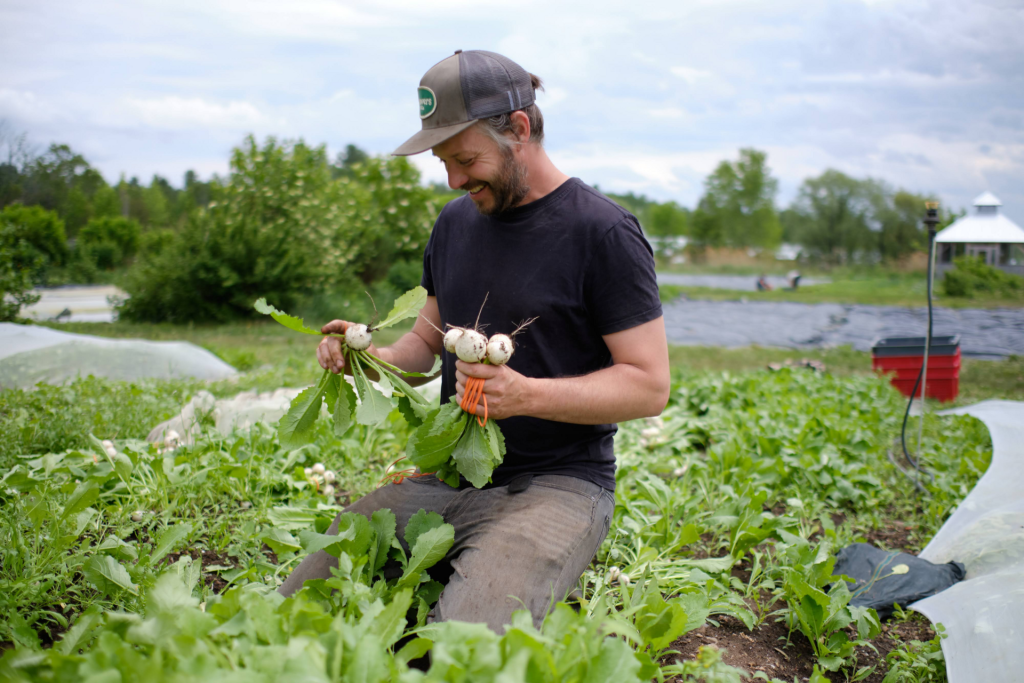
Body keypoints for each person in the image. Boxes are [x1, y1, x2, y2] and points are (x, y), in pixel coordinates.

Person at [278, 50, 670, 633]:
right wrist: (367, 358)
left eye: (465, 159)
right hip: (446, 480)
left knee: (461, 645)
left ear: (519, 129)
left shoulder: (603, 231)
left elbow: (649, 385)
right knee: (299, 597)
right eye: (443, 162)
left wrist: (527, 396)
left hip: (557, 486)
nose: (455, 180)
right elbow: (421, 346)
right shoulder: (454, 224)